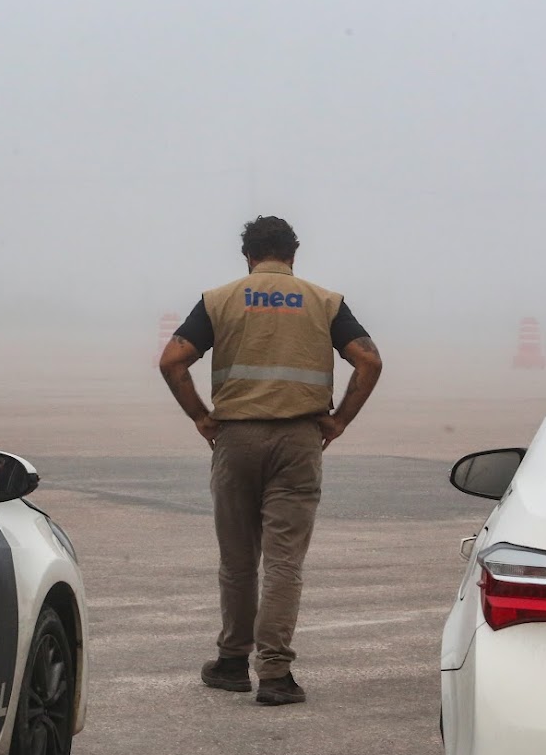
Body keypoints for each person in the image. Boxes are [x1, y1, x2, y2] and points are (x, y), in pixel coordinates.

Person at [158, 215, 382, 705]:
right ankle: (276, 675)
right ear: (294, 255)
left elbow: (172, 359)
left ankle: (233, 662)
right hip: (300, 442)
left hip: (235, 440)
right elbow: (368, 359)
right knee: (284, 561)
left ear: (248, 257)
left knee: (238, 561)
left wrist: (201, 417)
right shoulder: (325, 302)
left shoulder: (219, 300)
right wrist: (339, 419)